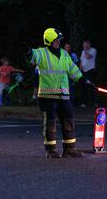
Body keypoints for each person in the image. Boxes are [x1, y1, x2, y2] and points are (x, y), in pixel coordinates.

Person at [25, 28, 91, 159]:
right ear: (49, 41)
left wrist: (82, 79)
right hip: (47, 96)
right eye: (56, 40)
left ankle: (70, 149)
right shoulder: (42, 53)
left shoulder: (64, 54)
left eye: (59, 40)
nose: (58, 42)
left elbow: (72, 69)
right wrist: (28, 52)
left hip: (63, 95)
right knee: (50, 122)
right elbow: (32, 57)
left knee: (69, 120)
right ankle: (51, 150)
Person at [80, 39, 97, 107]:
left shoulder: (93, 50)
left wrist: (85, 50)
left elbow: (88, 57)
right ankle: (84, 103)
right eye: (84, 44)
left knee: (91, 86)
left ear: (88, 44)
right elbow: (81, 61)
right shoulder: (83, 51)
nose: (84, 46)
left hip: (90, 71)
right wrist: (80, 70)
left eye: (86, 44)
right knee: (83, 87)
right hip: (84, 71)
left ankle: (94, 102)